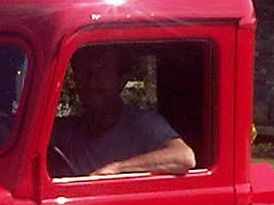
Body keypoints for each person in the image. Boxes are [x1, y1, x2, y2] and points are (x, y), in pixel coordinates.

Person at [50, 46, 196, 176]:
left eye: (102, 70)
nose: (92, 81)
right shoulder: (65, 131)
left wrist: (117, 169)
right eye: (83, 71)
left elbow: (184, 157)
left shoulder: (141, 125)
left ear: (121, 80)